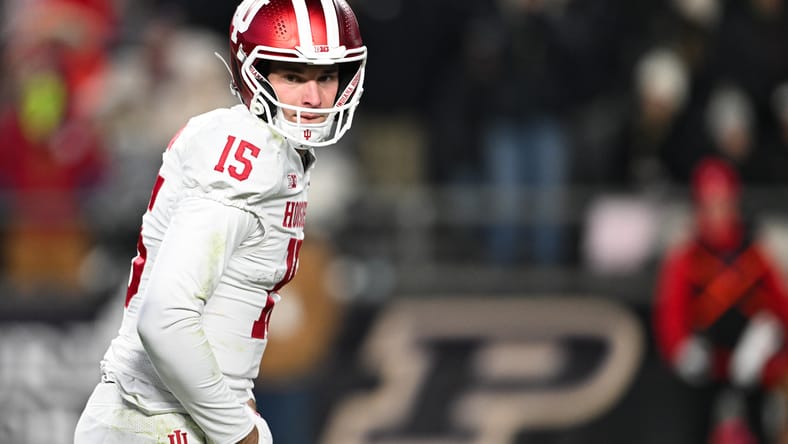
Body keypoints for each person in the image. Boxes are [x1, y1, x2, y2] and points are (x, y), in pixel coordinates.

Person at [73, 0, 367, 443]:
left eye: (325, 76)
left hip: (169, 413)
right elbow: (165, 318)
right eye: (293, 76)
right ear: (253, 73)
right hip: (157, 417)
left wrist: (232, 398)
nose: (313, 97)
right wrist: (237, 430)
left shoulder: (270, 148)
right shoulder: (250, 154)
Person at [653, 156, 788, 443]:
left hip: (752, 368)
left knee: (761, 427)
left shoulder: (757, 251)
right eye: (708, 204)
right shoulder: (685, 256)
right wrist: (680, 348)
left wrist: (769, 339)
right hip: (705, 369)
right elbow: (671, 311)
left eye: (722, 203)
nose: (716, 213)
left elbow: (781, 306)